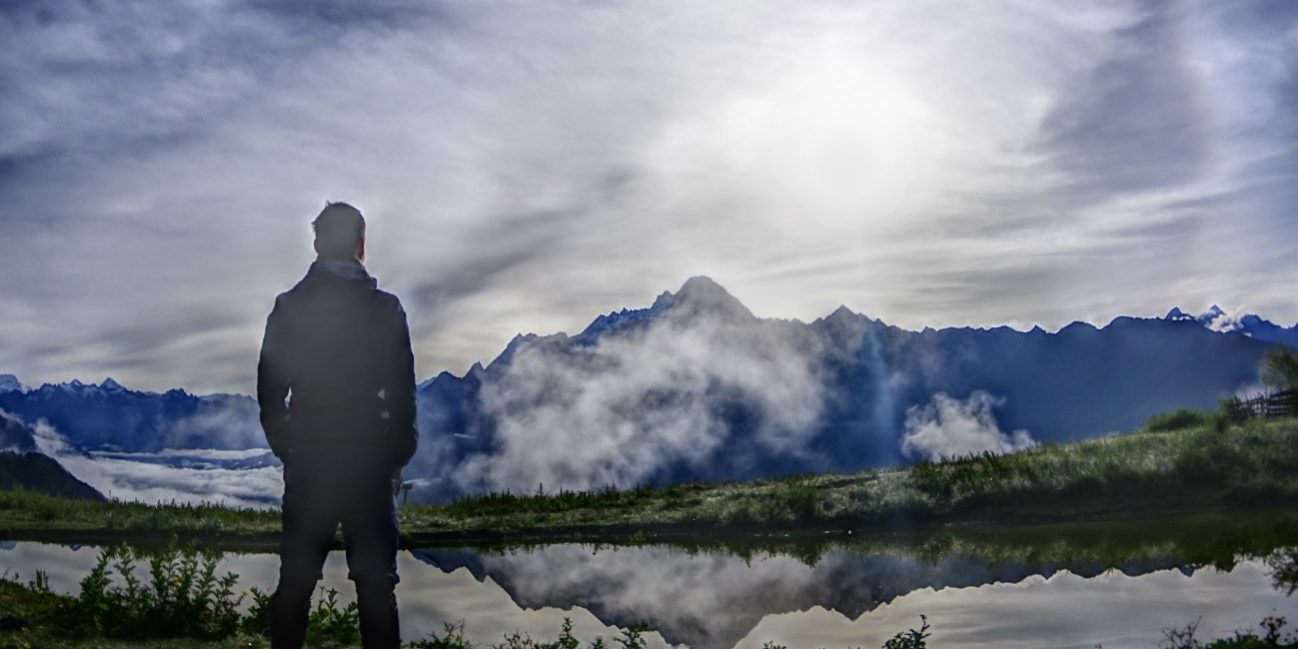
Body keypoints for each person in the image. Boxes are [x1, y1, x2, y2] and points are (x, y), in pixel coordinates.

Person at [257, 201, 417, 649]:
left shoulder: (289, 308)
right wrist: (396, 455)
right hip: (369, 464)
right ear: (362, 246)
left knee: (295, 583)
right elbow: (403, 391)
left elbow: (270, 392)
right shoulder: (386, 310)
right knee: (376, 587)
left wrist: (289, 447)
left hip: (309, 461)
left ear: (316, 243)